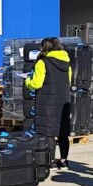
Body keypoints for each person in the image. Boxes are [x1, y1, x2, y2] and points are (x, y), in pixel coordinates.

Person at [25, 37, 73, 169]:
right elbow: (68, 81)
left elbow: (36, 83)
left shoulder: (43, 62)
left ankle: (50, 161)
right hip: (63, 101)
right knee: (62, 132)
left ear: (45, 47)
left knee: (49, 132)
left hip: (47, 102)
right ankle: (64, 161)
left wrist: (27, 81)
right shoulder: (67, 63)